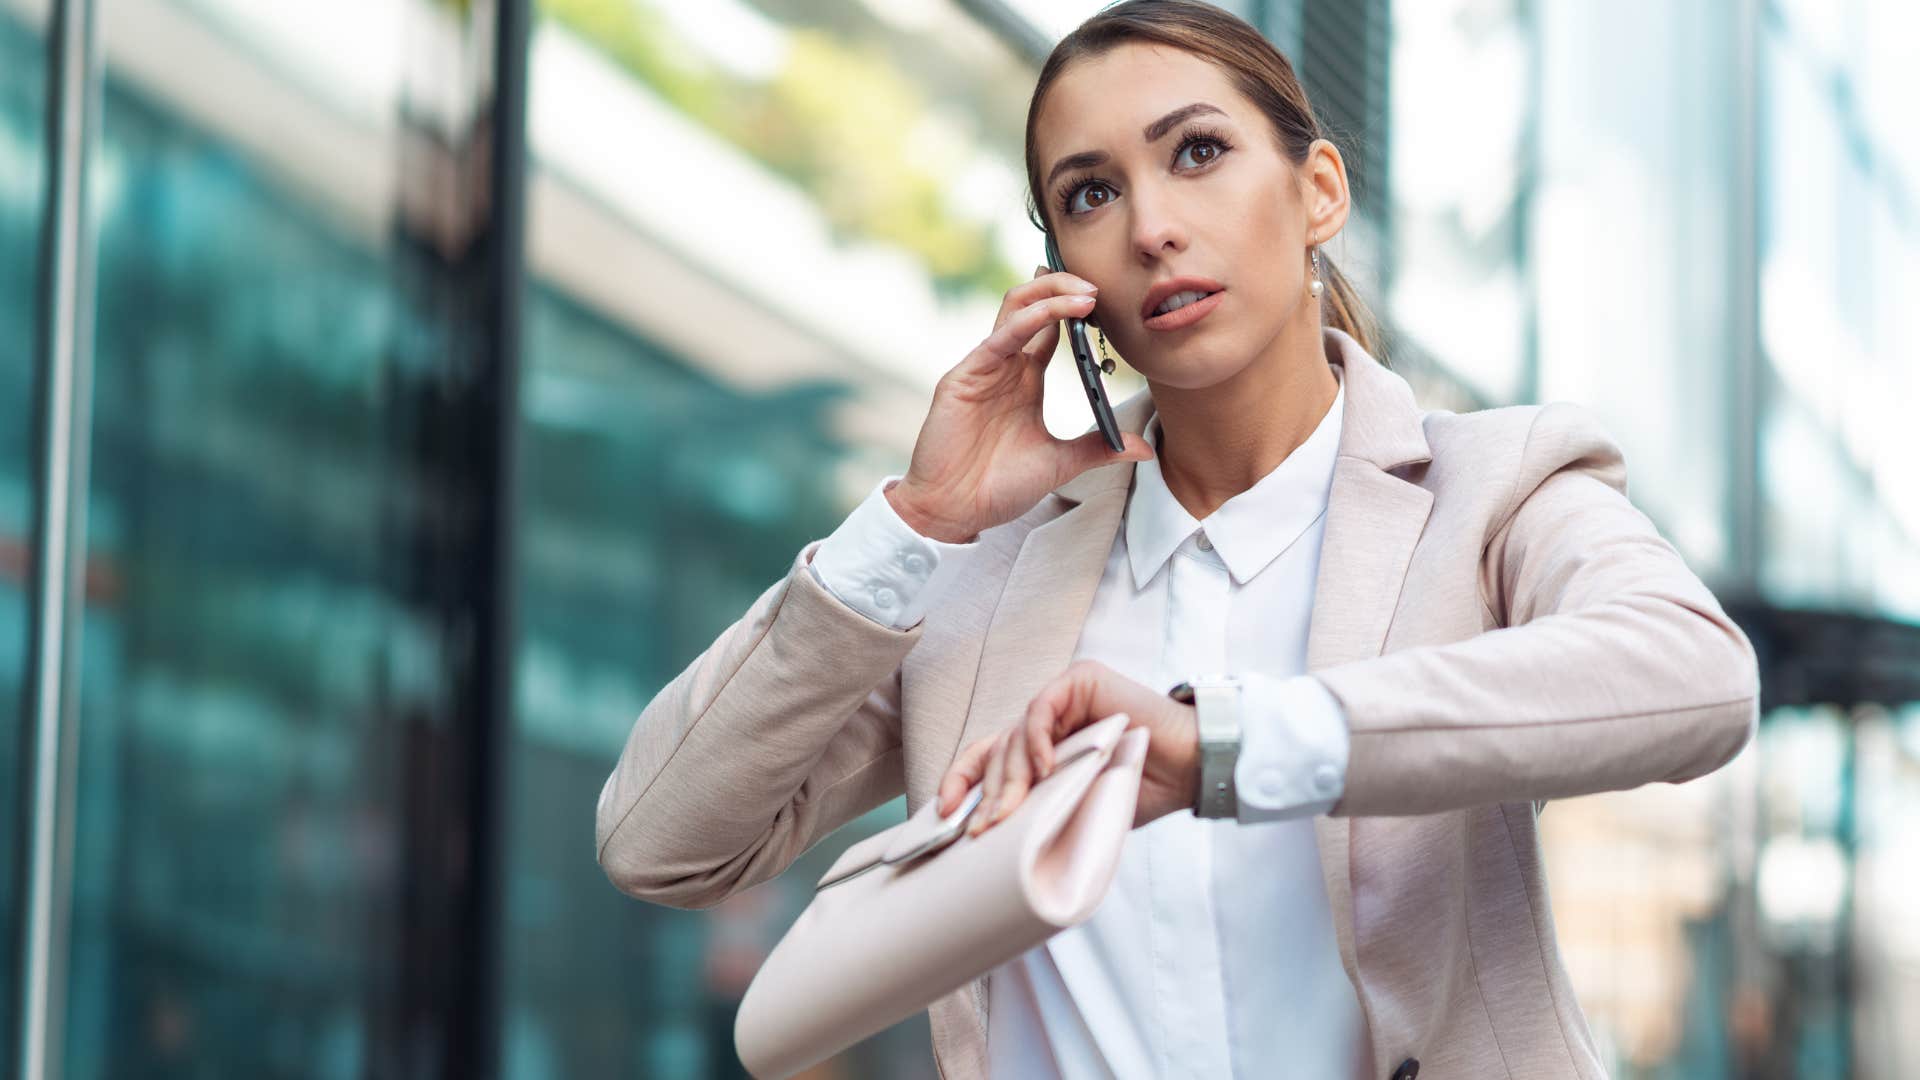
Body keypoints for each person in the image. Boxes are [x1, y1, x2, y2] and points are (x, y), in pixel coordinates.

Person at [593, 2, 1760, 1077]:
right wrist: (920, 521)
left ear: (1318, 192)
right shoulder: (987, 583)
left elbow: (1694, 677)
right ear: (1062, 277)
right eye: (1090, 195)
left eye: (1196, 153)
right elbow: (664, 841)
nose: (1151, 227)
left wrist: (1232, 745)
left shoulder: (1493, 487)